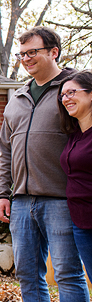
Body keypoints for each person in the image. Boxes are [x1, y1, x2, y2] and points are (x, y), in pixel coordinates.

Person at [0, 26, 89, 302]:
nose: (26, 59)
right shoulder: (17, 97)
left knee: (67, 273)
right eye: (22, 54)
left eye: (32, 52)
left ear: (54, 52)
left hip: (62, 199)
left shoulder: (73, 90)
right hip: (20, 201)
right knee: (27, 271)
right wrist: (1, 193)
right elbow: (5, 150)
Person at [58, 69, 92, 289]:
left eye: (71, 92)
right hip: (81, 221)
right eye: (63, 95)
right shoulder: (75, 136)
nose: (66, 99)